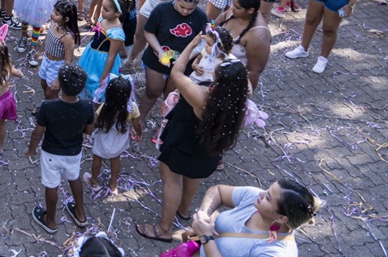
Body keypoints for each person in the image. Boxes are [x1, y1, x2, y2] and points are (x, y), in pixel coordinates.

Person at [135, 47, 249, 244]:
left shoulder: (202, 96)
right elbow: (241, 76)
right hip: (209, 148)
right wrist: (223, 48)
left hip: (184, 143)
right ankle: (184, 209)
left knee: (170, 180)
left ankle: (164, 229)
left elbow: (177, 72)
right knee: (194, 175)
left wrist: (194, 43)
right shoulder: (240, 95)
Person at [25, 63, 93, 235]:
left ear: (61, 85)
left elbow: (37, 133)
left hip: (50, 153)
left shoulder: (48, 107)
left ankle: (51, 220)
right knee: (74, 177)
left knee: (52, 185)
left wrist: (31, 150)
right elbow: (89, 130)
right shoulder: (87, 106)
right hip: (74, 151)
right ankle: (80, 214)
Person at [189, 180, 321, 257]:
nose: (261, 193)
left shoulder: (276, 252)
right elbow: (217, 190)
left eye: (268, 198)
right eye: (267, 190)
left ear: (282, 218)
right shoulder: (255, 199)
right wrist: (204, 214)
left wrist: (206, 238)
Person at [84, 75, 141, 195]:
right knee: (115, 159)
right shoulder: (132, 108)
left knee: (97, 157)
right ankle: (113, 184)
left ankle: (94, 181)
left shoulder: (105, 106)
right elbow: (137, 125)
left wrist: (88, 132)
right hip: (120, 137)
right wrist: (139, 134)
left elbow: (96, 121)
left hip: (103, 136)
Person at [77, 0, 131, 102]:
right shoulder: (103, 18)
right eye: (102, 7)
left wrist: (104, 77)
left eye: (106, 9)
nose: (102, 11)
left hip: (102, 61)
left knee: (95, 82)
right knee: (86, 77)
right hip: (91, 54)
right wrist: (122, 49)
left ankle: (94, 105)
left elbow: (111, 56)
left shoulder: (116, 33)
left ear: (117, 13)